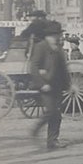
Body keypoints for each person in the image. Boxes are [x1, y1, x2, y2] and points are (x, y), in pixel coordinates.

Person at [29, 20, 70, 150]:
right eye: (58, 35)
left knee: (57, 115)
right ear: (51, 35)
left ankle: (52, 141)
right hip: (45, 85)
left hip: (57, 85)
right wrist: (41, 84)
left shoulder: (58, 49)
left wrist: (67, 84)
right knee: (51, 111)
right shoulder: (41, 46)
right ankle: (36, 129)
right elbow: (34, 66)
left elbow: (63, 68)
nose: (60, 37)